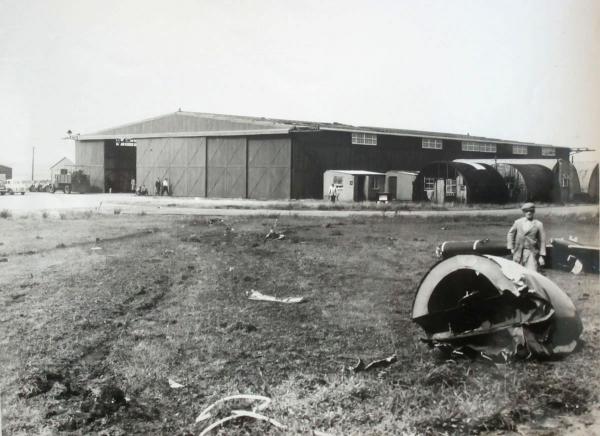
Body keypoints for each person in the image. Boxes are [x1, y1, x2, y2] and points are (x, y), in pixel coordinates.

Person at [507, 202, 546, 271]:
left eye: (531, 211)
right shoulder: (518, 222)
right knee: (517, 272)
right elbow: (510, 234)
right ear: (524, 212)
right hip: (518, 251)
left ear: (533, 212)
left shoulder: (539, 224)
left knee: (531, 273)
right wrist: (511, 248)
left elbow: (542, 241)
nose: (529, 213)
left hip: (531, 252)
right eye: (526, 211)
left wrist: (541, 256)